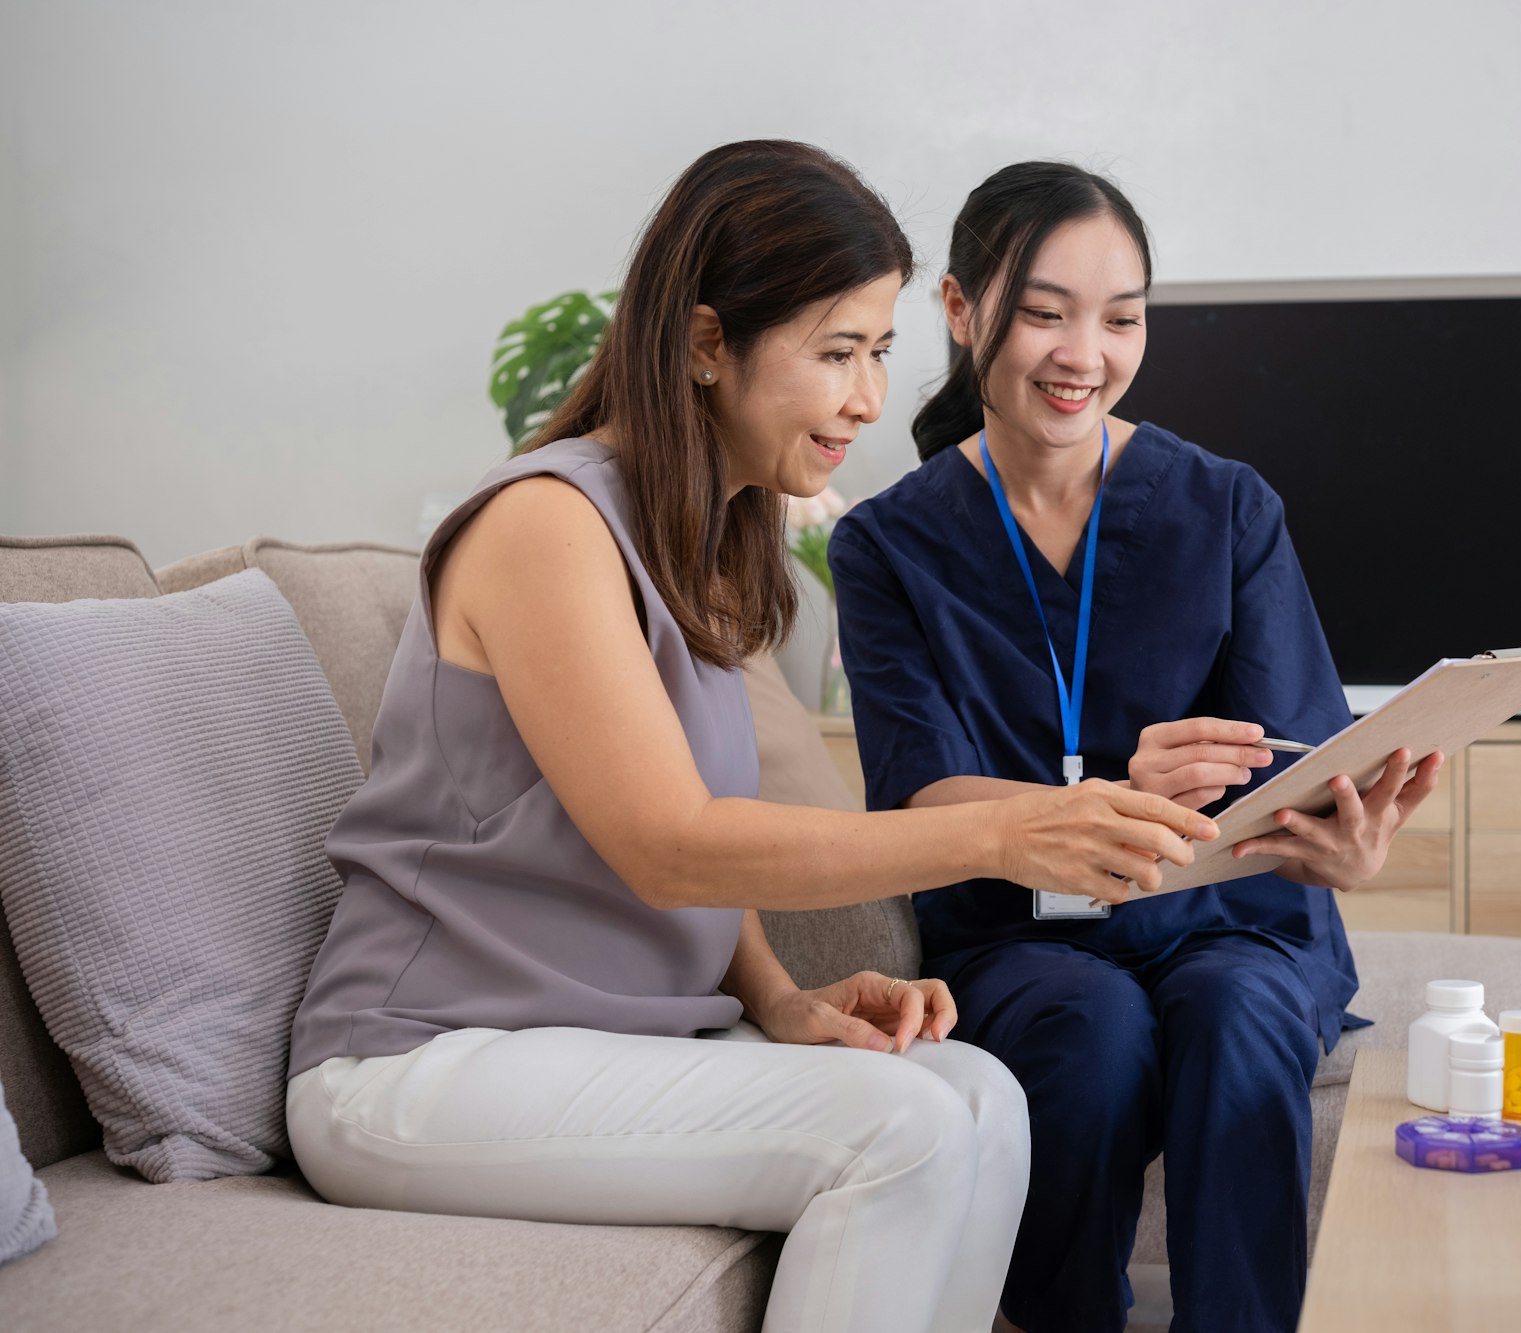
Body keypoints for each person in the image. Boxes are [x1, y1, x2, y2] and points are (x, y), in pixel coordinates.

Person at [283, 142, 1217, 1333]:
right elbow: (671, 844)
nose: (870, 400)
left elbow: (699, 854)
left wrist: (779, 996)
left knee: (976, 1091)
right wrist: (1007, 829)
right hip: (418, 1065)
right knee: (902, 1127)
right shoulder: (546, 526)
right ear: (707, 344)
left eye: (878, 351)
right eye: (835, 354)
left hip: (588, 1041)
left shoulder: (711, 542)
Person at [828, 162, 1443, 1332]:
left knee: (1236, 1018)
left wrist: (1341, 846)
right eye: (1045, 312)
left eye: (1120, 318)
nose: (1084, 353)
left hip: (1230, 920)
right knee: (1091, 1032)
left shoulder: (1226, 506)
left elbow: (1291, 761)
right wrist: (1107, 798)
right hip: (1019, 935)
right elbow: (918, 797)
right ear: (960, 313)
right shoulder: (886, 546)